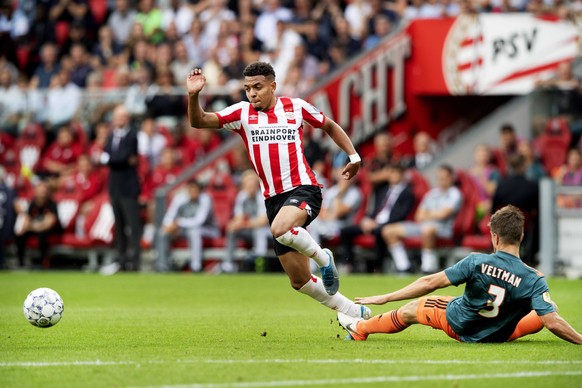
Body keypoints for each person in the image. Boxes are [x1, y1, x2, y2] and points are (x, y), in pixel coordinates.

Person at [186, 61, 371, 320]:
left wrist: (353, 155)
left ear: (273, 86)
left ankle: (324, 259)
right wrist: (194, 96)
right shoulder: (241, 113)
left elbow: (328, 125)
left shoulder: (295, 107)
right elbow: (199, 121)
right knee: (300, 281)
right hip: (274, 200)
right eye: (247, 88)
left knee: (280, 228)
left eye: (258, 87)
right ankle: (355, 312)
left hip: (304, 188)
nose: (252, 93)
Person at [338, 205, 582, 345]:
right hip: (498, 335)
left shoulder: (476, 261)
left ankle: (361, 328)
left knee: (413, 308)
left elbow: (430, 282)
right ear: (520, 237)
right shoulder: (534, 278)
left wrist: (386, 297)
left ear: (494, 237)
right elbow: (551, 322)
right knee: (546, 310)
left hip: (459, 326)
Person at [381, 164, 462, 273]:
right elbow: (418, 216)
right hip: (422, 226)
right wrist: (433, 214)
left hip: (442, 229)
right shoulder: (432, 193)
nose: (442, 181)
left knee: (428, 229)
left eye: (445, 178)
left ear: (452, 178)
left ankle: (428, 268)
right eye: (440, 178)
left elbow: (444, 214)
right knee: (388, 230)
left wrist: (428, 214)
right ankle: (404, 267)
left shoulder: (455, 193)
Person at [339, 164, 415, 273]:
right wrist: (367, 219)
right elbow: (375, 209)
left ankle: (378, 267)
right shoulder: (383, 190)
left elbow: (401, 215)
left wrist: (378, 225)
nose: (394, 176)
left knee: (380, 232)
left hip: (389, 225)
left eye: (397, 173)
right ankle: (348, 263)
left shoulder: (408, 193)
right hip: (374, 222)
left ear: (402, 175)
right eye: (392, 173)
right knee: (345, 231)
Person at [99, 104, 142, 273]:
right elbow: (116, 157)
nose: (120, 120)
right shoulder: (111, 136)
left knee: (133, 225)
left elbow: (121, 158)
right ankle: (122, 261)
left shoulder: (132, 136)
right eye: (117, 117)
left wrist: (107, 159)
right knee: (119, 226)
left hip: (128, 188)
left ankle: (135, 262)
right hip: (115, 187)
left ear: (127, 118)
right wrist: (112, 159)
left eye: (123, 117)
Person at [156, 179, 219, 272]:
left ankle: (195, 266)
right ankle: (162, 266)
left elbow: (199, 221)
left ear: (199, 190)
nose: (193, 192)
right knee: (163, 232)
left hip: (208, 230)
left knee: (194, 231)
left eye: (195, 190)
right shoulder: (180, 198)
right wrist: (169, 226)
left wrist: (178, 223)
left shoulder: (205, 199)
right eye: (190, 190)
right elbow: (169, 216)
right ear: (187, 190)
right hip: (184, 229)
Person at [225, 170, 272, 272]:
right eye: (248, 185)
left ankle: (259, 263)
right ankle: (229, 263)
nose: (250, 188)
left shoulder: (263, 197)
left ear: (257, 186)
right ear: (244, 186)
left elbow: (262, 221)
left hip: (267, 232)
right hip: (249, 230)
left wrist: (243, 223)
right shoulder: (242, 196)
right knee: (231, 229)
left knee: (259, 231)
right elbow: (239, 217)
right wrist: (235, 224)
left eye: (253, 185)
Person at [14, 181, 60, 268]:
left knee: (43, 235)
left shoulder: (52, 204)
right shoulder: (33, 204)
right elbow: (26, 221)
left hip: (51, 231)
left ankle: (43, 262)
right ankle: (20, 262)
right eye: (40, 190)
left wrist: (33, 226)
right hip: (36, 228)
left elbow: (48, 224)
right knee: (20, 235)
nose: (43, 193)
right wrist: (32, 226)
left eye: (44, 190)